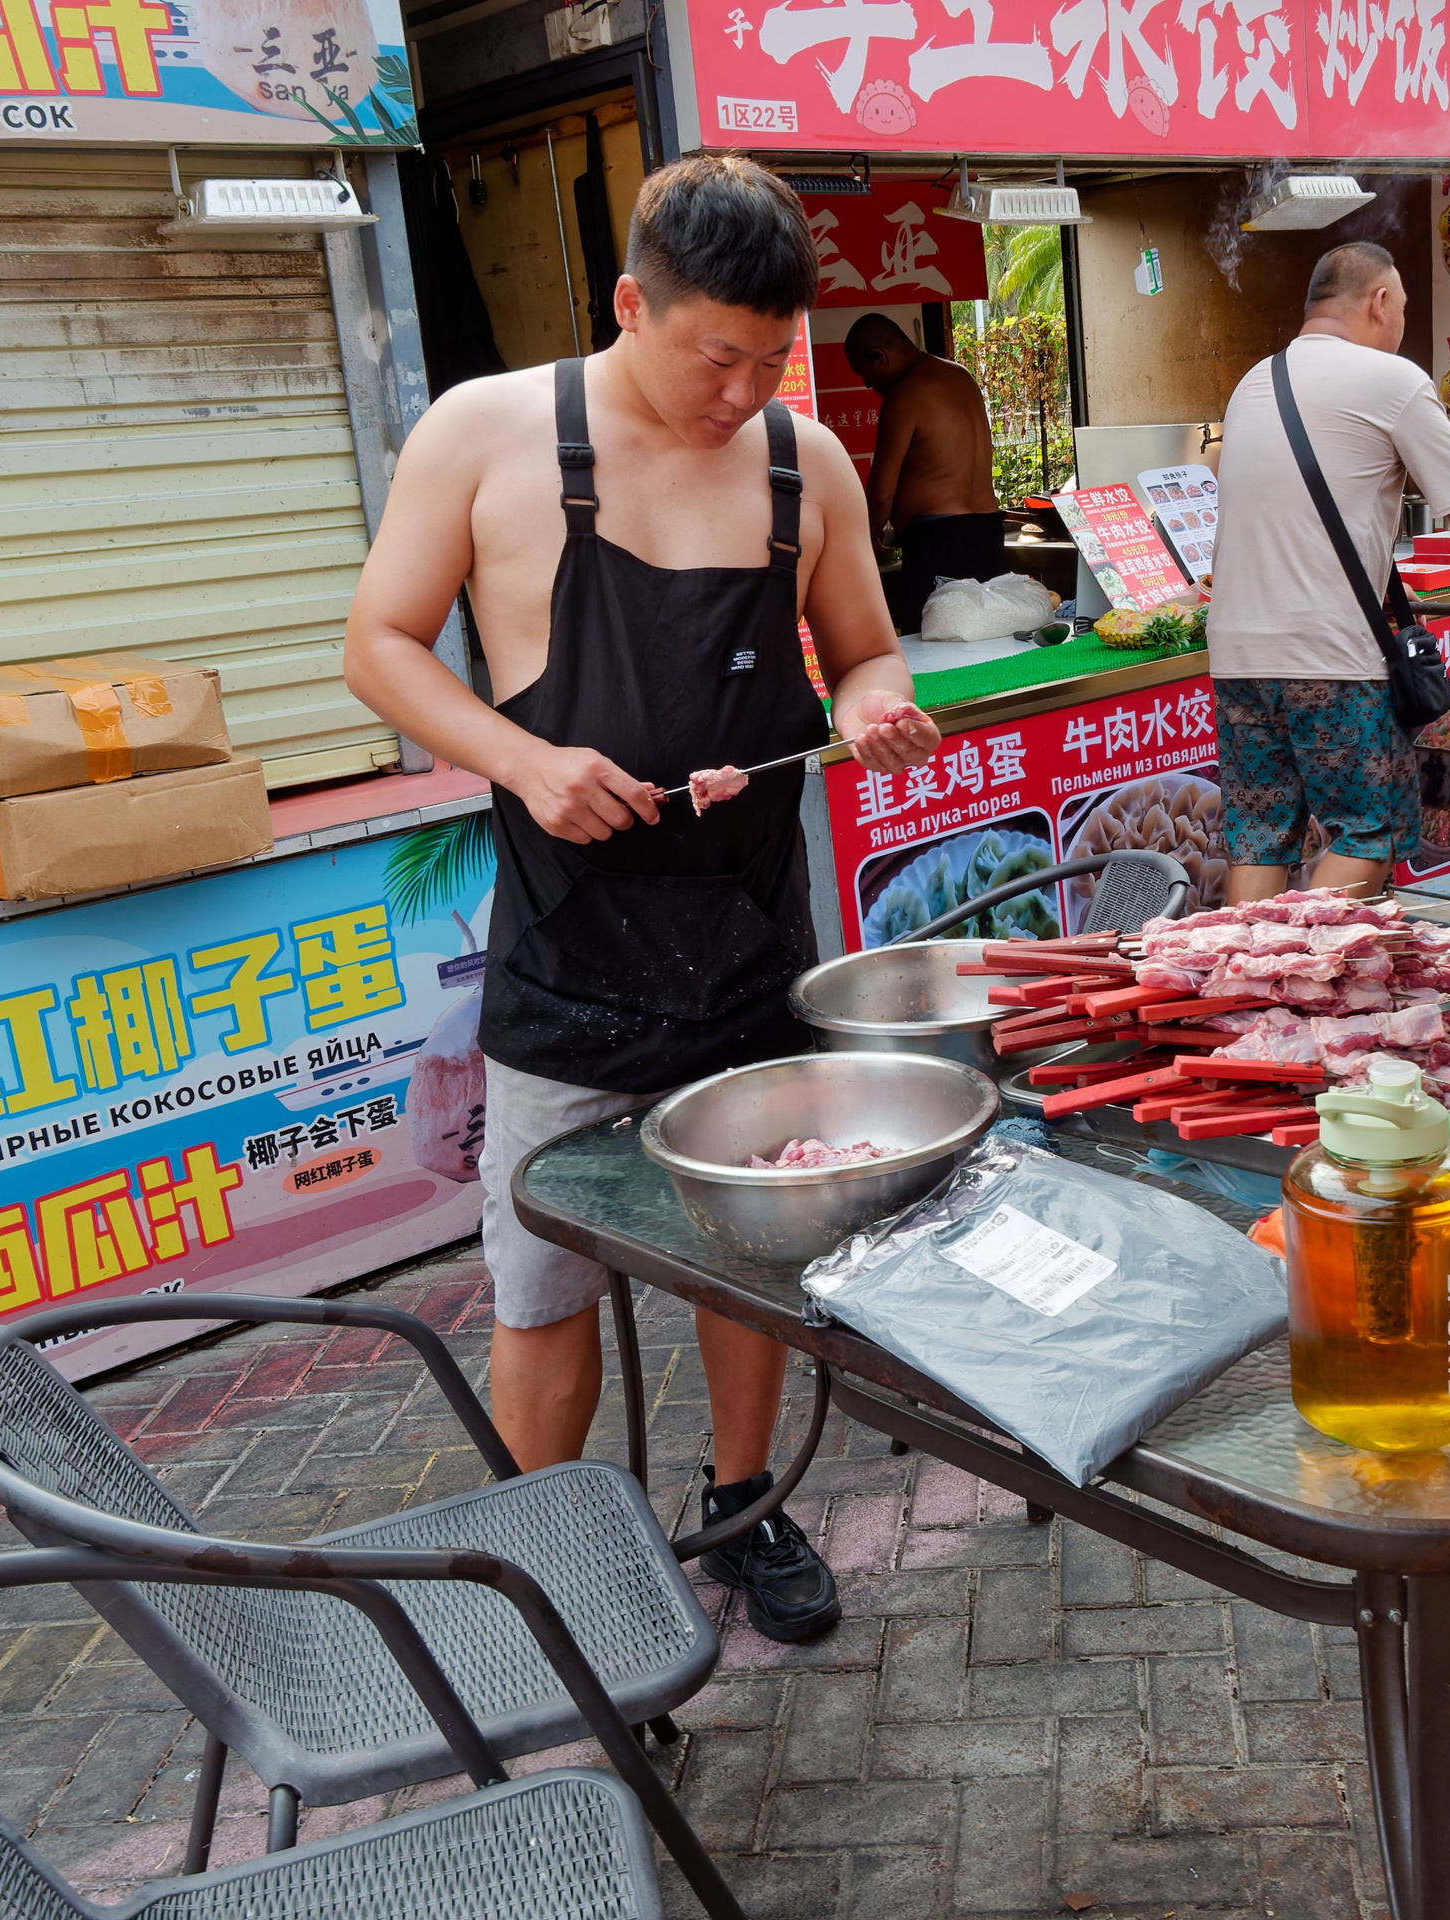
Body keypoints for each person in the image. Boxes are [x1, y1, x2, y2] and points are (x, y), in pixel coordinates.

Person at [344, 155, 941, 1642]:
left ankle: (742, 1510)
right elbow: (383, 646)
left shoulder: (809, 463)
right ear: (632, 304)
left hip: (747, 943)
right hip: (568, 955)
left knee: (744, 1260)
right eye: (714, 355)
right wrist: (524, 761)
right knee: (542, 1284)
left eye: (770, 359)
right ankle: (540, 1578)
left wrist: (874, 704)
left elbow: (865, 652)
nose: (742, 391)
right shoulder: (488, 433)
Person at [1205, 241, 1450, 903]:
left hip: (1237, 655)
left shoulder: (1251, 383)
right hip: (1330, 657)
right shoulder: (1393, 381)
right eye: (1403, 307)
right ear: (1379, 301)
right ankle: (1297, 966)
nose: (1402, 323)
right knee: (1367, 831)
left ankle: (1251, 982)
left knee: (1260, 832)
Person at [843, 312, 1003, 634]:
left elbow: (881, 494)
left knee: (936, 650)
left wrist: (865, 540)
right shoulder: (961, 376)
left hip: (940, 543)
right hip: (988, 533)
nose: (867, 384)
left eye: (865, 373)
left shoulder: (905, 394)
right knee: (988, 642)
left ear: (879, 356)